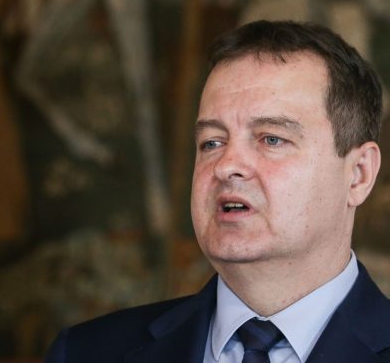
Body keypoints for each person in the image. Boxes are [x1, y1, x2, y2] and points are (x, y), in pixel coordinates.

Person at [44, 20, 390, 363]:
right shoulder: (84, 353)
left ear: (358, 175)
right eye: (212, 142)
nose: (226, 165)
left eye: (271, 139)